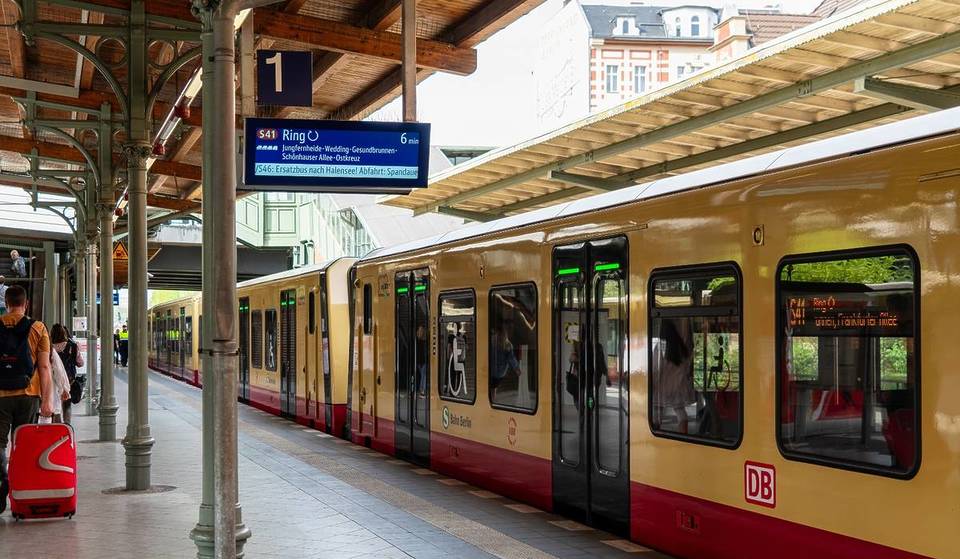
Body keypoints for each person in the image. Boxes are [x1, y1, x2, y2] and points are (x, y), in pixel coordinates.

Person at [0, 285, 54, 514]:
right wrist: (47, 400)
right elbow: (44, 367)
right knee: (22, 447)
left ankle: (1, 487)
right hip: (29, 395)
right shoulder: (38, 328)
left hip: (0, 396)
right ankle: (21, 495)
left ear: (6, 302)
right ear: (26, 304)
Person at [657, 318, 695, 435]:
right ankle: (684, 436)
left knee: (657, 411)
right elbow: (688, 364)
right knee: (680, 412)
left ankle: (655, 435)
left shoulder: (661, 348)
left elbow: (656, 367)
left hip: (663, 387)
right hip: (678, 387)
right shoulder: (682, 347)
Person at [50, 324, 83, 425]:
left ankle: (57, 426)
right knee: (67, 403)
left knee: (55, 404)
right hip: (69, 379)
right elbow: (80, 363)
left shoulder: (49, 346)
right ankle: (67, 425)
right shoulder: (73, 345)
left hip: (53, 380)